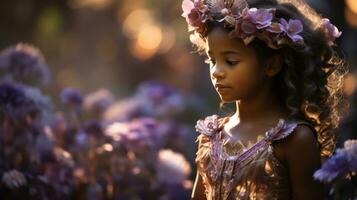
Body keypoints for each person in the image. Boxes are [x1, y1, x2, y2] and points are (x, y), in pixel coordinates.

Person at [181, 0, 347, 199]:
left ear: (272, 65)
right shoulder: (211, 136)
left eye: (230, 61)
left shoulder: (294, 139)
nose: (216, 72)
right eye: (213, 60)